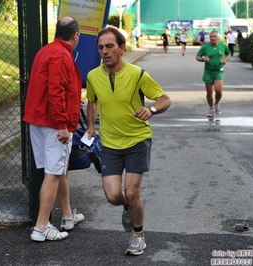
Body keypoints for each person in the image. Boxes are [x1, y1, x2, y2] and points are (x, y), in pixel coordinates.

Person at [85, 27, 171, 256]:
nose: (105, 51)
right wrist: (91, 127)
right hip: (110, 144)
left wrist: (151, 109)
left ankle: (138, 235)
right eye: (101, 47)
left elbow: (164, 99)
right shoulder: (93, 76)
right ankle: (127, 207)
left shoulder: (137, 74)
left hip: (137, 140)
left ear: (122, 49)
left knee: (132, 193)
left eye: (110, 46)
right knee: (113, 196)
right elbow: (91, 102)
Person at [23, 16, 85, 242]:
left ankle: (67, 215)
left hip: (39, 119)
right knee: (54, 173)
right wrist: (62, 125)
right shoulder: (61, 54)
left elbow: (50, 88)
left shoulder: (46, 51)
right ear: (75, 35)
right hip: (53, 124)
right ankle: (41, 227)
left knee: (60, 170)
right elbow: (56, 91)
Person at [195, 30, 231, 117]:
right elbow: (197, 57)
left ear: (218, 37)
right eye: (211, 37)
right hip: (208, 72)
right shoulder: (205, 47)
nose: (213, 38)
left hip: (219, 71)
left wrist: (225, 60)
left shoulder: (223, 46)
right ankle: (211, 108)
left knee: (218, 90)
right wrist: (203, 59)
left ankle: (217, 103)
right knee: (209, 91)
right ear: (209, 38)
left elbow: (228, 54)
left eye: (214, 37)